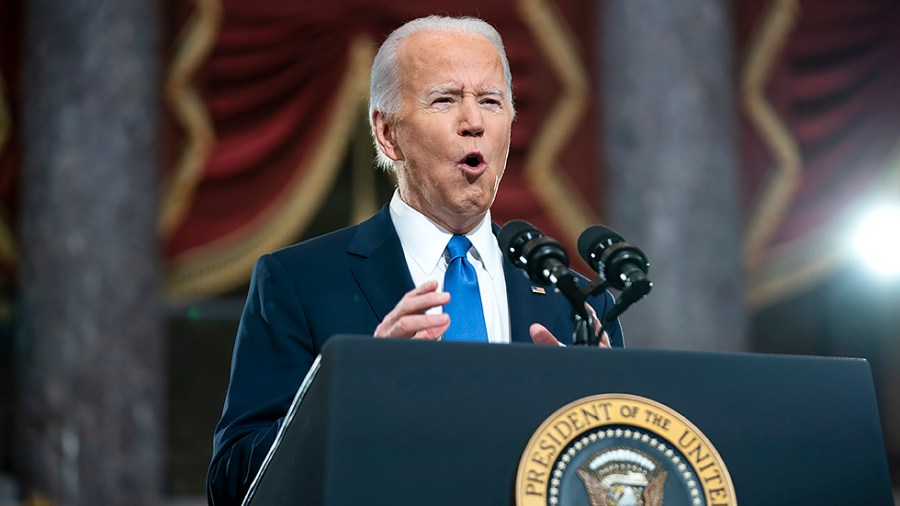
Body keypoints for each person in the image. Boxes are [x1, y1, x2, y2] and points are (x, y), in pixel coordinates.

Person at [206, 15, 623, 505]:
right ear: (387, 134)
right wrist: (353, 395)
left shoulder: (574, 301)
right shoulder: (298, 283)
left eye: (491, 101)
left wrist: (599, 428)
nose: (474, 122)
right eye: (445, 100)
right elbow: (232, 484)